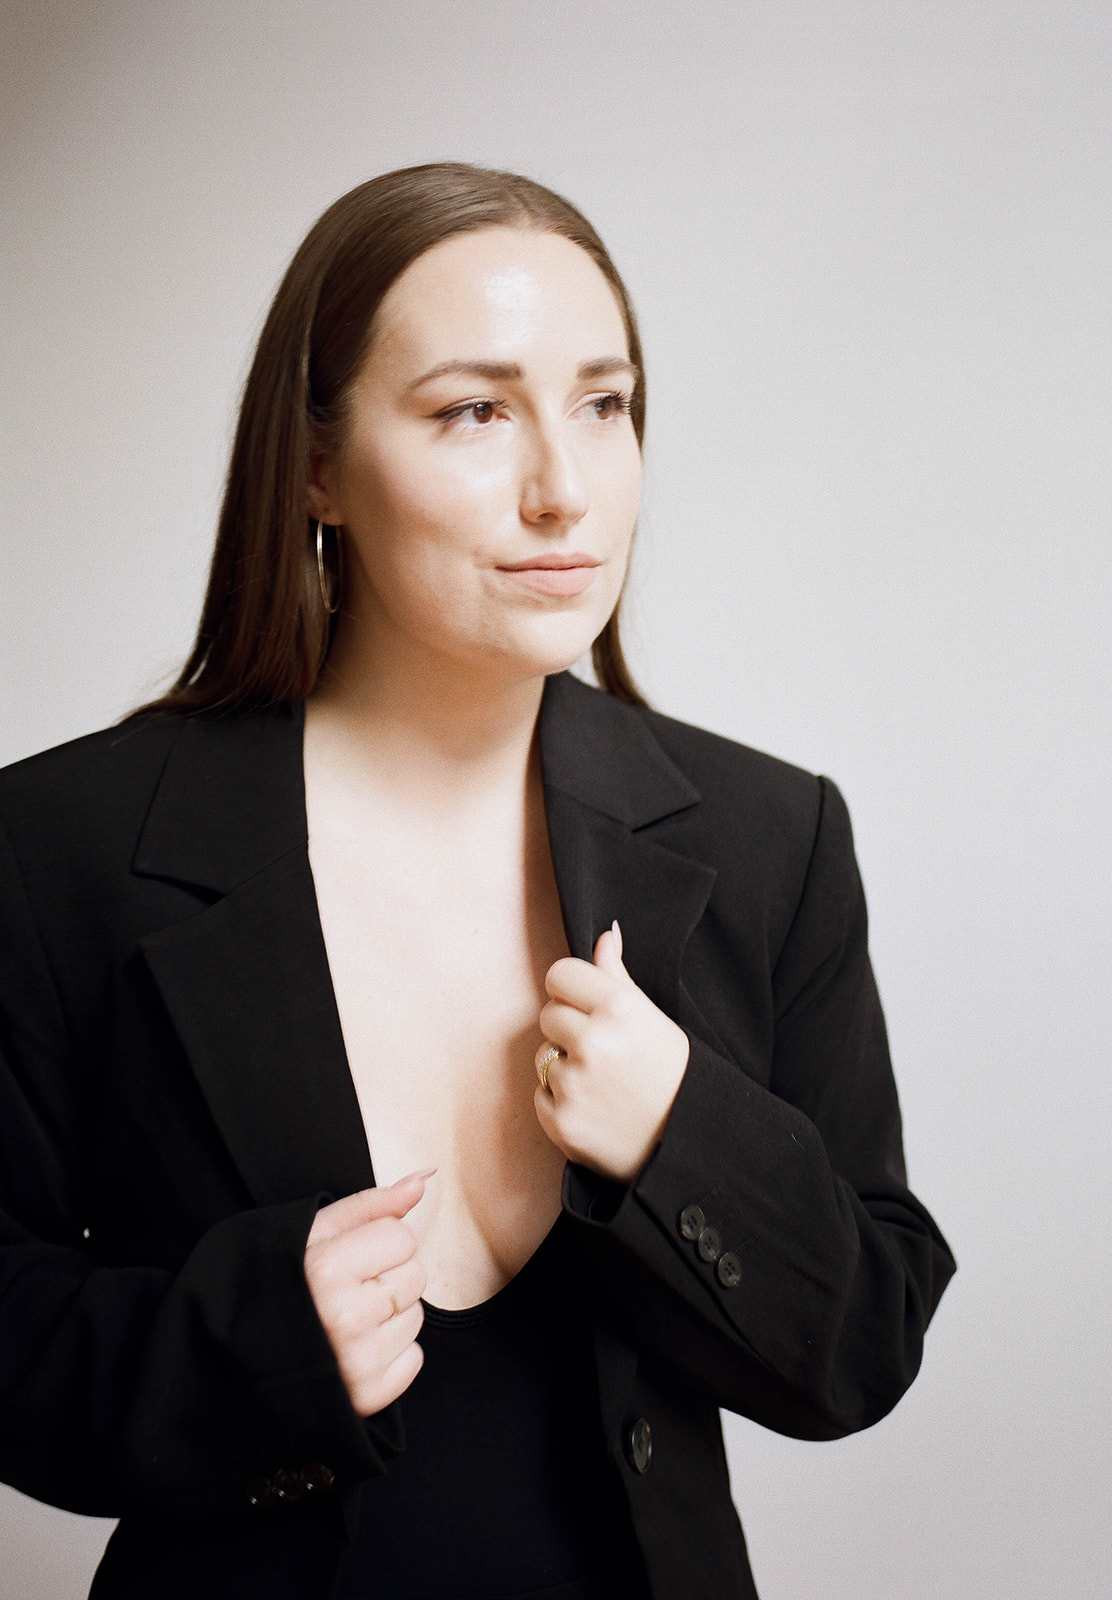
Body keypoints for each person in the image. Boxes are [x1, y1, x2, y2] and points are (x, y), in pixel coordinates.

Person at [0, 164, 955, 1600]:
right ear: (316, 467)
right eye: (471, 411)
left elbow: (859, 1346)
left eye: (603, 404)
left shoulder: (772, 836)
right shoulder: (59, 843)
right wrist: (245, 1338)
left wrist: (677, 1134)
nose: (563, 488)